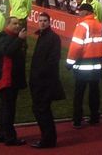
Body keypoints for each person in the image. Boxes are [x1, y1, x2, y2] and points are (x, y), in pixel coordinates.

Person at [67, 3, 102, 129]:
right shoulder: (100, 26)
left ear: (85, 12)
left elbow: (76, 46)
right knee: (94, 92)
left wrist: (69, 62)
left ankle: (77, 120)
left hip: (83, 65)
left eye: (80, 11)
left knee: (79, 93)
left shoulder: (82, 26)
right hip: (97, 64)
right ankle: (95, 117)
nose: (78, 13)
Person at [29, 12, 65, 149]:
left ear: (49, 22)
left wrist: (40, 74)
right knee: (41, 110)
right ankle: (47, 138)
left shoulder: (53, 38)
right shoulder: (42, 36)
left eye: (45, 21)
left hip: (45, 82)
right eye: (40, 20)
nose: (42, 23)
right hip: (40, 81)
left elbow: (53, 60)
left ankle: (48, 140)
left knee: (42, 110)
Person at [0, 16, 27, 146]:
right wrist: (19, 40)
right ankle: (9, 137)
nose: (17, 26)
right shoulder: (4, 38)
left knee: (4, 108)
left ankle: (1, 134)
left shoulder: (9, 37)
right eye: (14, 23)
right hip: (6, 79)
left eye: (18, 23)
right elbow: (8, 52)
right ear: (7, 25)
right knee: (8, 109)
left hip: (8, 79)